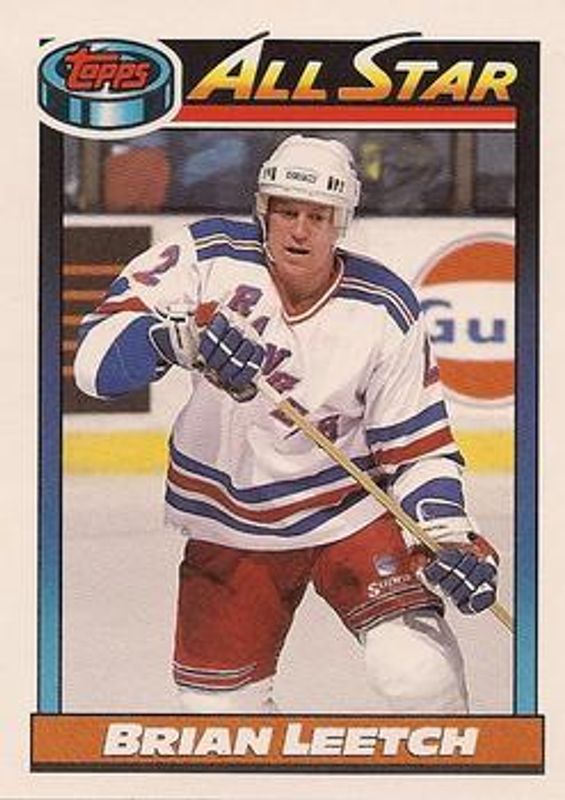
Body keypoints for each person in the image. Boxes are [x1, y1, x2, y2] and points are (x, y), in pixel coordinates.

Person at [74, 134, 499, 714]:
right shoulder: (206, 256)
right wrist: (172, 340)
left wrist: (449, 537)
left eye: (318, 216)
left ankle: (455, 761)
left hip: (350, 512)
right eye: (287, 212)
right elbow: (93, 364)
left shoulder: (383, 307)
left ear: (341, 222)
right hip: (230, 523)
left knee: (417, 671)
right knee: (219, 723)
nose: (300, 231)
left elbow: (418, 449)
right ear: (263, 210)